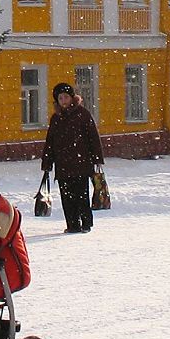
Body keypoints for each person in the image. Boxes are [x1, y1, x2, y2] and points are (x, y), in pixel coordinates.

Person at [42, 82, 103, 234]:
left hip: (81, 164)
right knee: (67, 197)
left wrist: (97, 159)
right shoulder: (56, 118)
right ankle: (72, 225)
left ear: (72, 98)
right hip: (63, 165)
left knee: (81, 195)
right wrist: (47, 162)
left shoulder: (82, 114)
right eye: (60, 98)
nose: (63, 100)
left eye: (66, 97)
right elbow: (50, 141)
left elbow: (93, 138)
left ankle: (86, 223)